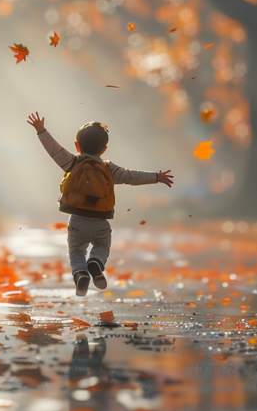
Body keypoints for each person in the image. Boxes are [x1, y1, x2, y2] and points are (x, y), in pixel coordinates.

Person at [27, 113, 174, 296]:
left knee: (76, 252)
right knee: (102, 247)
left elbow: (54, 150)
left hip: (77, 221)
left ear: (77, 146)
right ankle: (96, 262)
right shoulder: (108, 169)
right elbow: (131, 177)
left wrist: (41, 131)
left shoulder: (72, 163)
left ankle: (81, 274)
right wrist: (156, 177)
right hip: (100, 222)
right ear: (104, 149)